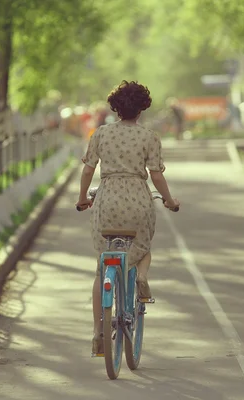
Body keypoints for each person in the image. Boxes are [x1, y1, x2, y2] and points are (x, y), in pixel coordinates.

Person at [76, 80, 180, 355]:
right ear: (142, 109)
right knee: (142, 249)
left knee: (102, 268)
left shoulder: (100, 134)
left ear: (115, 107)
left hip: (107, 200)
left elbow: (88, 170)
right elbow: (156, 175)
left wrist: (82, 197)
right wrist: (170, 200)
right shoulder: (149, 137)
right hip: (138, 201)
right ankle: (141, 276)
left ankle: (99, 332)